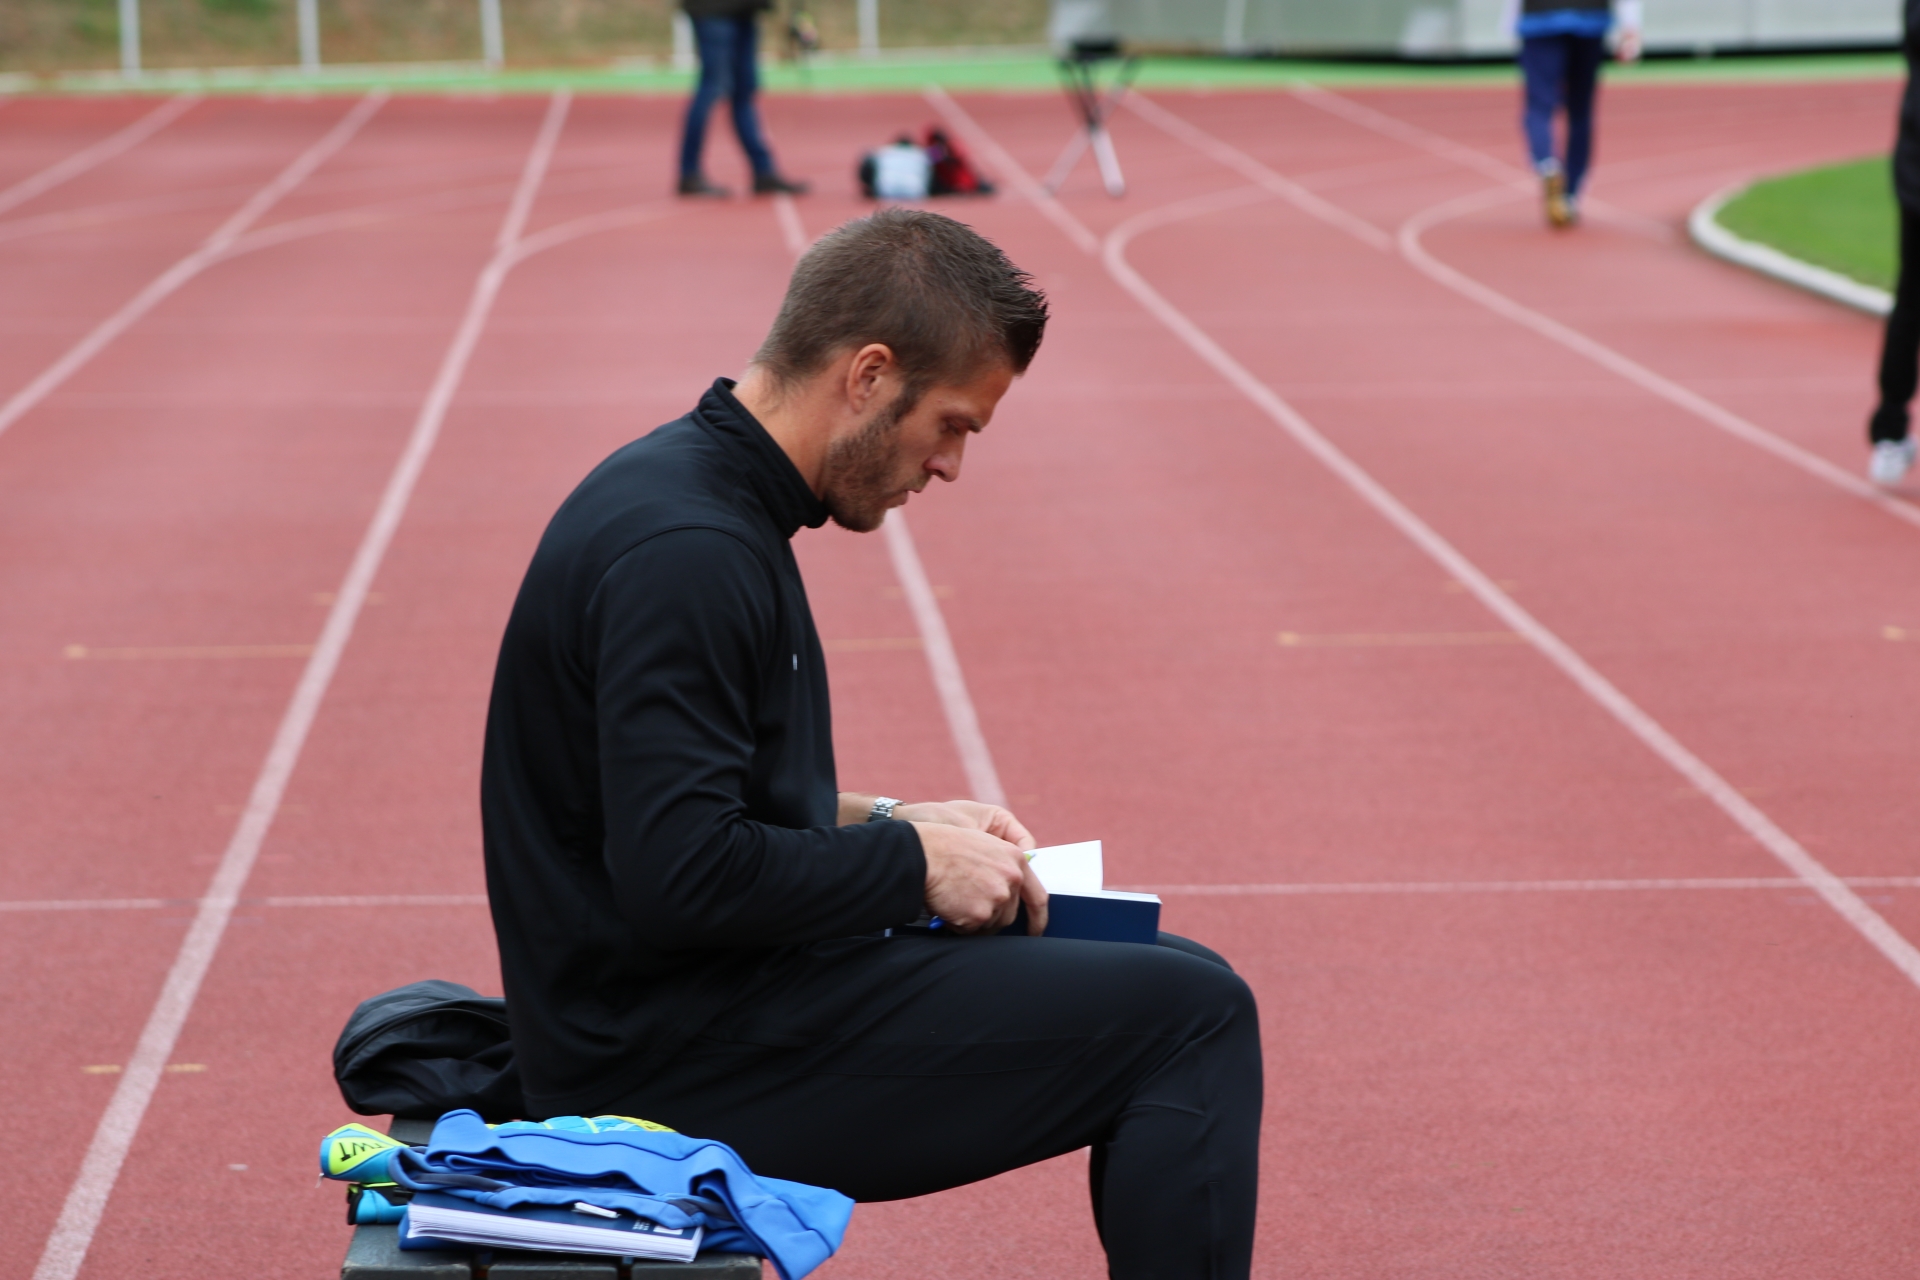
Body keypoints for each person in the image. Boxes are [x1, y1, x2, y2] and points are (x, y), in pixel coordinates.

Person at [481, 209, 1263, 1280]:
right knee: (1194, 1018)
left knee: (1178, 971)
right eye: (950, 425)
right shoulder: (690, 553)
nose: (949, 465)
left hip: (690, 1001)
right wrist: (913, 865)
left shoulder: (697, 494)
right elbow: (682, 874)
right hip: (661, 1060)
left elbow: (689, 794)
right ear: (868, 375)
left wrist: (900, 819)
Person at [1506, 0, 1643, 227]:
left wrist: (1511, 26)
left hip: (1540, 20)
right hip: (1589, 19)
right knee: (1580, 111)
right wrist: (1630, 28)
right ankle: (1570, 194)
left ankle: (1546, 163)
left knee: (1539, 105)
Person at [676, 0, 807, 197]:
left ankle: (763, 170)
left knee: (743, 92)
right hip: (713, 10)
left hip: (744, 10)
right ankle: (689, 173)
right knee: (712, 87)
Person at [1868, 0, 1920, 486]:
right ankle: (1889, 429)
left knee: (1911, 298)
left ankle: (1889, 429)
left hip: (1913, 165)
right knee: (1910, 300)